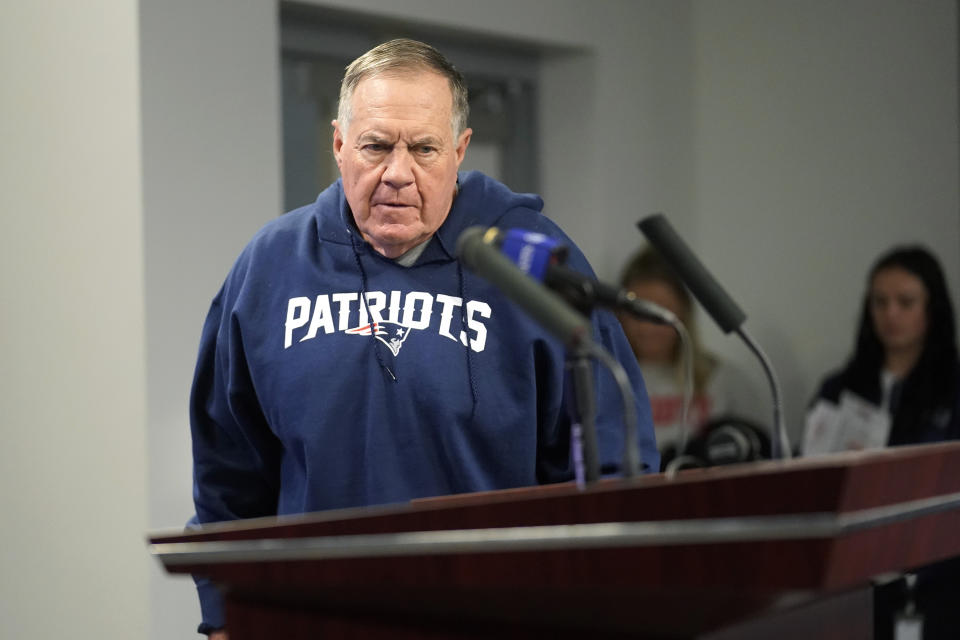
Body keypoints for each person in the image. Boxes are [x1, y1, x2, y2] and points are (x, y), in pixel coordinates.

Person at [188, 38, 658, 637]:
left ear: (459, 151)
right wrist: (223, 618)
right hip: (313, 618)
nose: (397, 174)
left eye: (425, 149)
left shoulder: (528, 259)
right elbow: (226, 473)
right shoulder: (271, 267)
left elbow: (614, 458)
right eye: (376, 146)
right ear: (339, 145)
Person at [803, 245, 960, 639]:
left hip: (939, 579)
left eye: (906, 302)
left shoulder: (954, 389)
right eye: (880, 302)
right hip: (854, 582)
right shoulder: (839, 389)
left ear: (932, 309)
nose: (891, 314)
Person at [617, 247, 752, 465]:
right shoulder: (608, 378)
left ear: (683, 314)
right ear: (619, 313)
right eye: (636, 311)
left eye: (661, 311)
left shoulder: (722, 380)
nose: (648, 326)